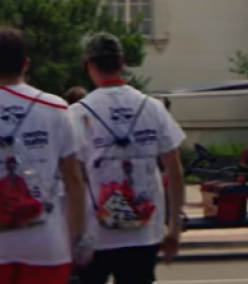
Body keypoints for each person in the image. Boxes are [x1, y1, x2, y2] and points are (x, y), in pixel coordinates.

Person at [0, 27, 85, 284]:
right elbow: (74, 181)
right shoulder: (57, 108)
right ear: (26, 64)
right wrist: (79, 237)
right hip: (48, 246)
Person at [70, 33, 185, 284]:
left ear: (90, 66)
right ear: (122, 62)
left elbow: (73, 181)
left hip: (95, 235)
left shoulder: (78, 114)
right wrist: (174, 228)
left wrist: (74, 235)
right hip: (144, 234)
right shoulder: (153, 107)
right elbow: (175, 171)